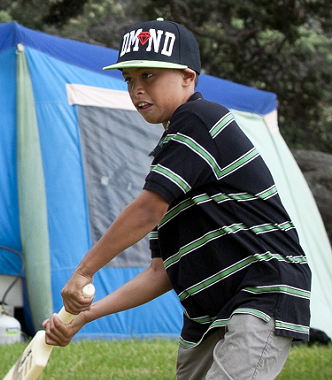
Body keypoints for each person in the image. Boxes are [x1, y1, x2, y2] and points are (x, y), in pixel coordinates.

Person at [43, 19, 312, 379]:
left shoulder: (199, 119)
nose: (137, 90)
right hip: (207, 315)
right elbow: (160, 273)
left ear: (188, 77)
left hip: (260, 292)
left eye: (149, 76)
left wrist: (83, 271)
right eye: (129, 80)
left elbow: (146, 211)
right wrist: (85, 316)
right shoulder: (172, 162)